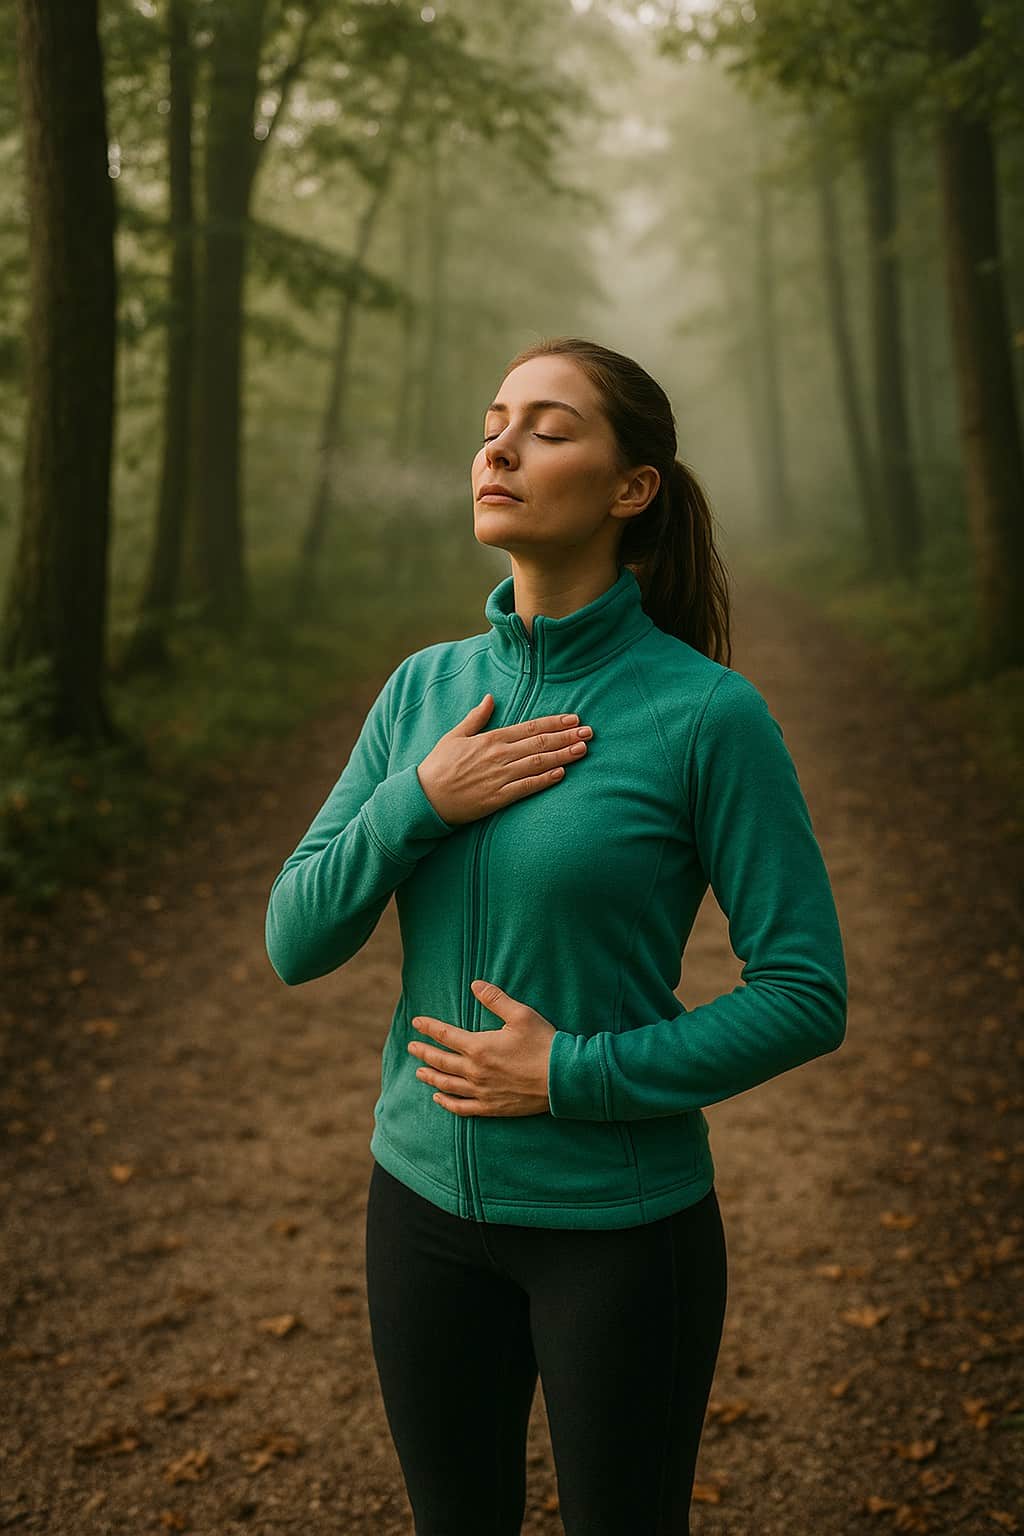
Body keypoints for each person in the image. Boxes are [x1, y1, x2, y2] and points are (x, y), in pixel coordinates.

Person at [265, 337, 848, 1535]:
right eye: (493, 421)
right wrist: (419, 799)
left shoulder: (705, 716)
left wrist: (570, 1075)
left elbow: (803, 990)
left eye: (548, 425)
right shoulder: (421, 691)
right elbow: (294, 937)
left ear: (631, 488)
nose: (500, 445)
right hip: (418, 1210)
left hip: (621, 1234)